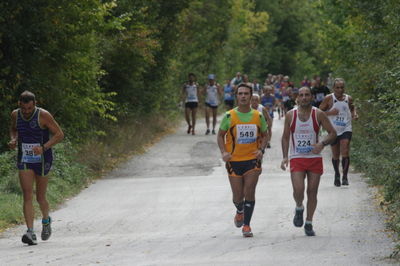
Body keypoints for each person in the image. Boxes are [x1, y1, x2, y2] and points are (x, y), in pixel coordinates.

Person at [8, 90, 64, 245]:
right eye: (24, 108)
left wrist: (44, 147)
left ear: (35, 105)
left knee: (40, 197)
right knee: (27, 194)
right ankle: (30, 232)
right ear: (19, 105)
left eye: (29, 109)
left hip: (43, 158)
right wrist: (13, 139)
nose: (26, 112)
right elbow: (14, 129)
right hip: (25, 158)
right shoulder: (15, 114)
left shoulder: (43, 115)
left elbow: (59, 134)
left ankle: (46, 221)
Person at [281, 87, 336, 236]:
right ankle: (299, 207)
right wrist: (285, 156)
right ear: (296, 98)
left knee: (312, 191)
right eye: (301, 95)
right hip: (297, 157)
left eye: (307, 95)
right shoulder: (290, 115)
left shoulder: (318, 114)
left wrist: (322, 144)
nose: (304, 98)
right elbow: (285, 137)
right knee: (298, 190)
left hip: (314, 158)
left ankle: (309, 222)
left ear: (311, 97)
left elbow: (333, 133)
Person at [217, 84, 268, 237]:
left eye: (246, 93)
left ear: (251, 96)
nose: (243, 96)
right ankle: (239, 210)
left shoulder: (258, 116)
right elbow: (220, 135)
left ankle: (247, 225)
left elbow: (265, 134)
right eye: (240, 94)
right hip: (234, 161)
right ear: (236, 96)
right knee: (237, 197)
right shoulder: (229, 116)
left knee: (249, 192)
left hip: (253, 160)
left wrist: (261, 150)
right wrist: (223, 152)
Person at [319, 78, 357, 186]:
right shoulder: (329, 98)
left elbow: (352, 107)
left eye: (342, 87)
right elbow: (318, 112)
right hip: (333, 130)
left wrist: (354, 114)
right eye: (337, 87)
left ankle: (345, 176)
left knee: (345, 150)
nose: (340, 90)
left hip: (346, 128)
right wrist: (330, 112)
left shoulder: (348, 98)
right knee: (335, 154)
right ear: (333, 88)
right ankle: (337, 174)